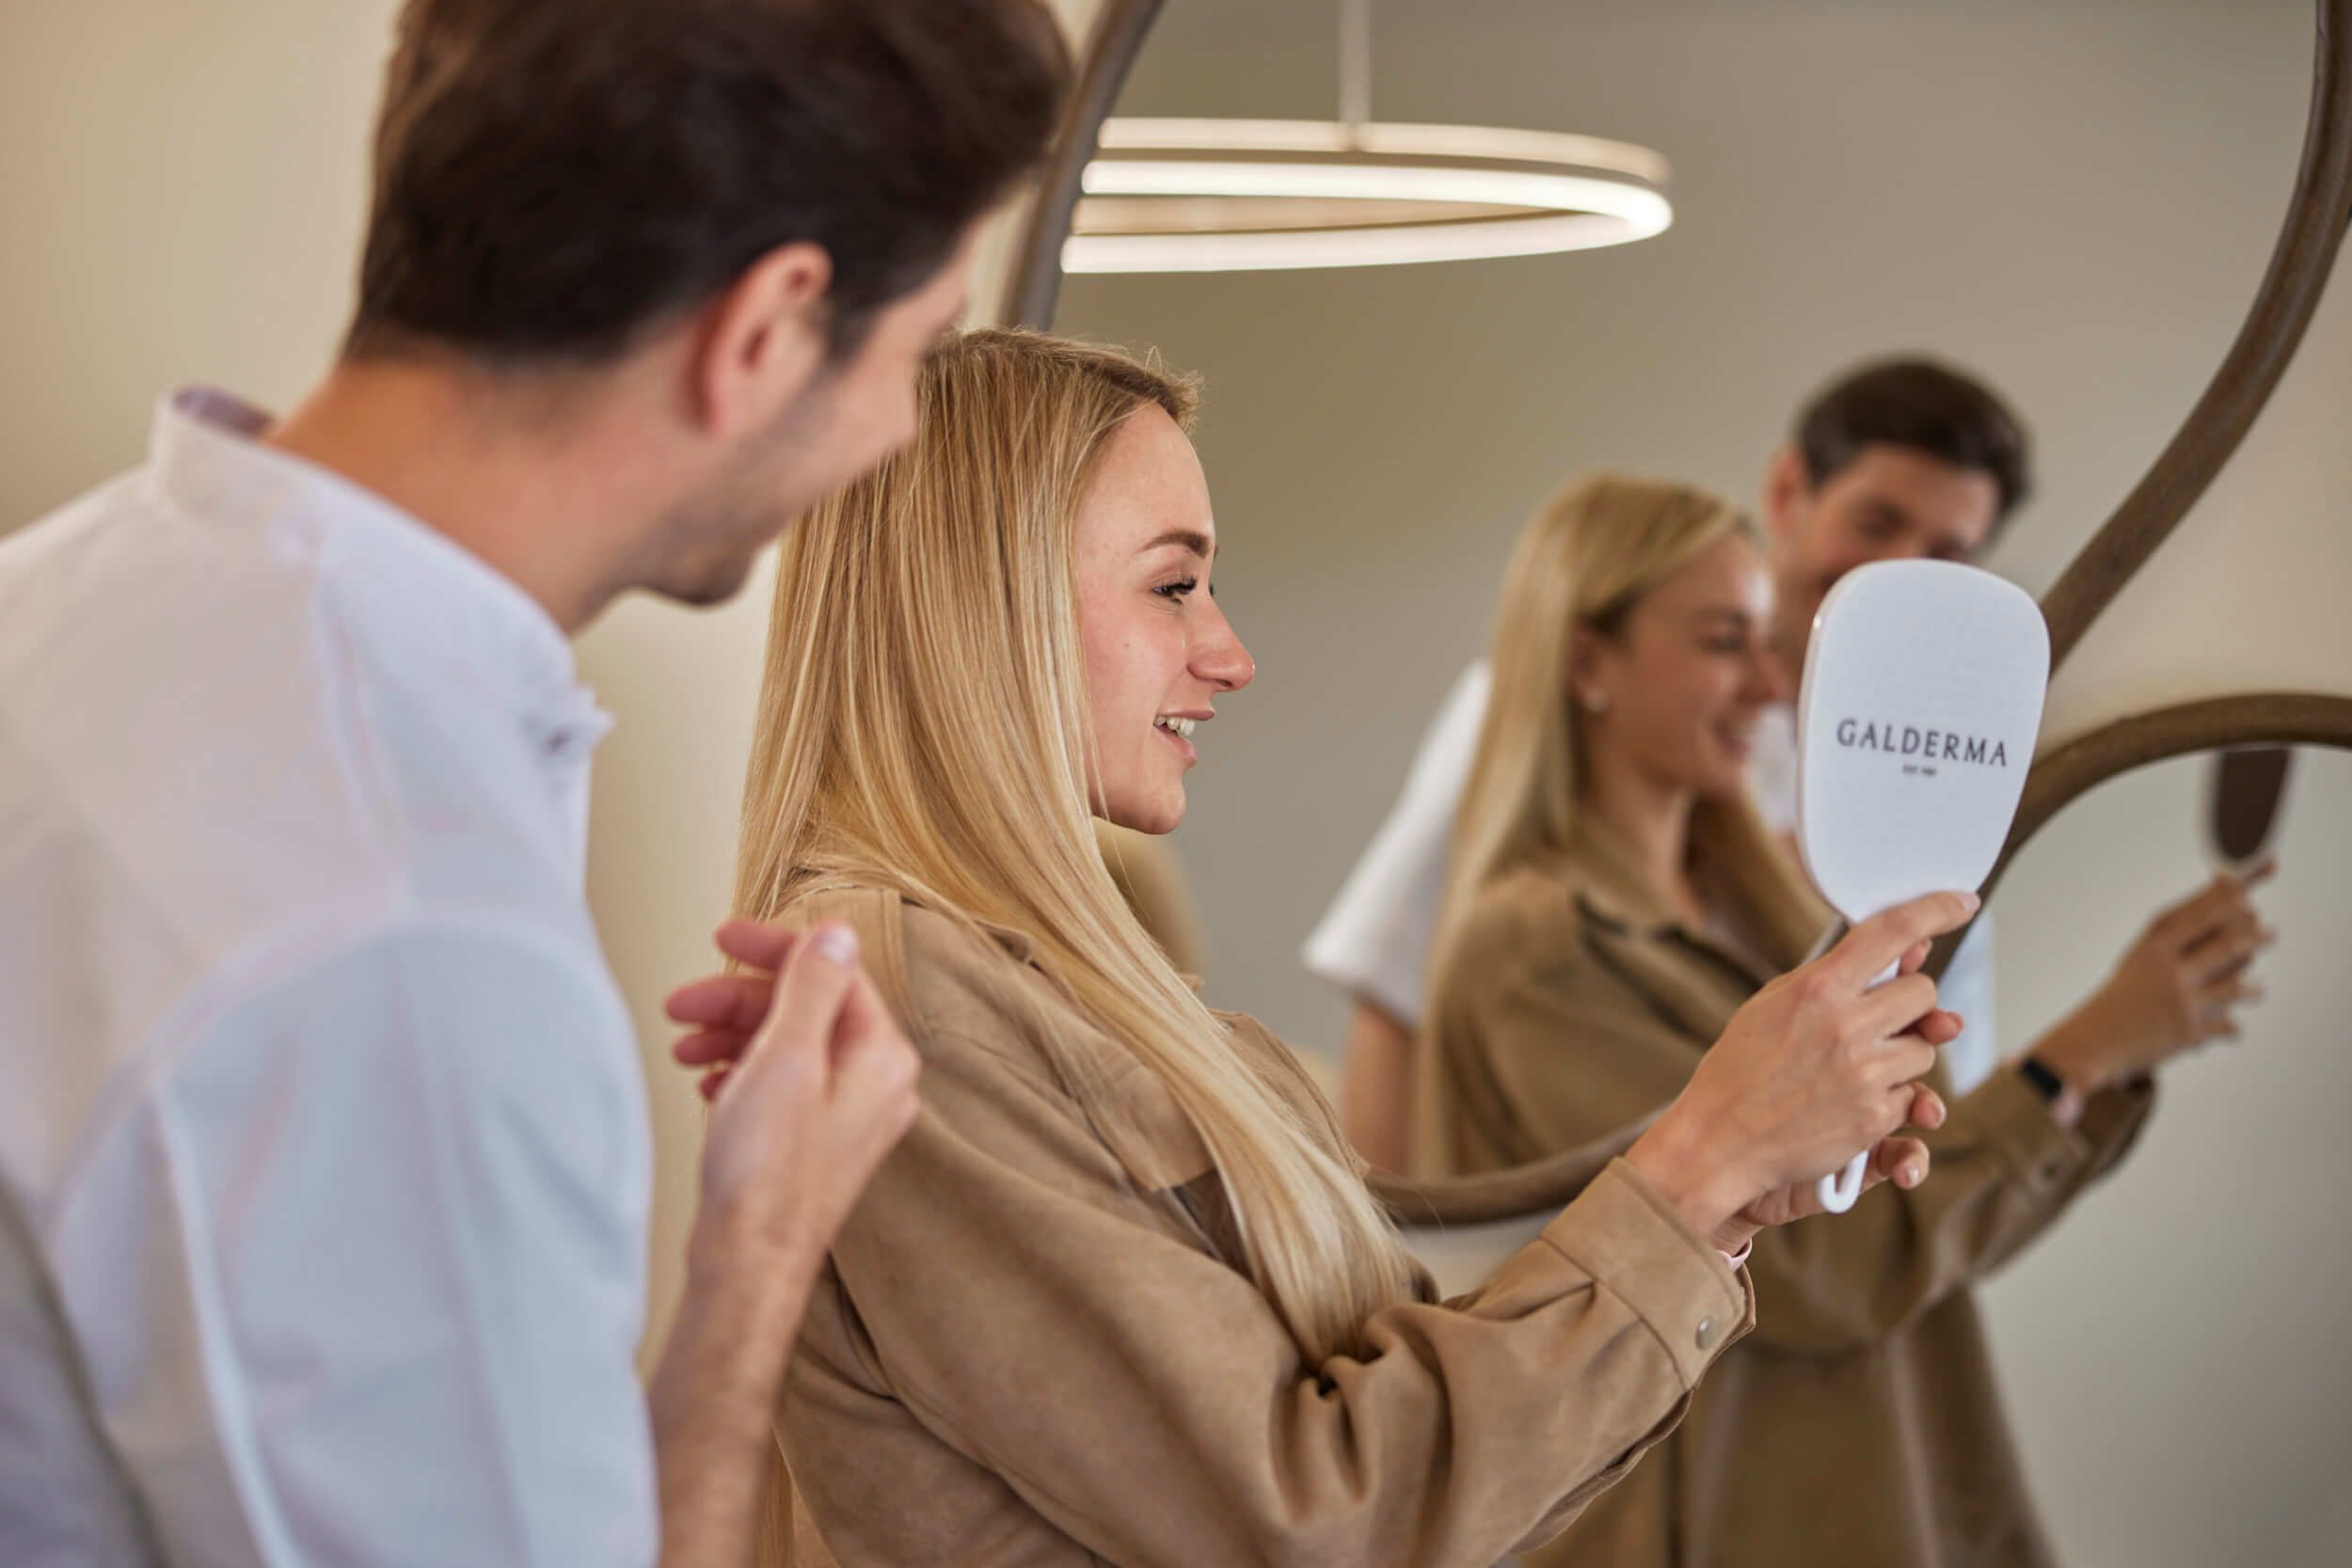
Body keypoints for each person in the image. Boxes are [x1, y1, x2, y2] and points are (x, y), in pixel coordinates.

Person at [0, 4, 1068, 1566]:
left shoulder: (52, 603)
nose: (905, 428)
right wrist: (758, 1259)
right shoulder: (401, 927)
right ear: (766, 328)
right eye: (919, 354)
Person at [667, 328, 1979, 1568]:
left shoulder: (1037, 992)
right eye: (1176, 584)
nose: (1230, 652)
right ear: (980, 599)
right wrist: (1702, 1161)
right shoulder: (911, 1003)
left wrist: (1724, 1206)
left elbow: (1385, 1447)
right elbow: (1317, 1514)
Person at [1410, 471, 2272, 1567]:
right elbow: (1826, 1275)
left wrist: (2088, 1068)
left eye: (1768, 641)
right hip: (1728, 1517)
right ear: (1587, 661)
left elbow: (1920, 1210)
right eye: (1727, 640)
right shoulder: (1537, 948)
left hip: (1891, 1465)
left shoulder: (1775, 914)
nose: (1770, 684)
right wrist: (2081, 1055)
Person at [1308, 357, 2265, 1175]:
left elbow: (1930, 1126)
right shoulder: (1540, 780)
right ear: (1786, 493)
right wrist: (1405, 1266)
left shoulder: (1937, 782)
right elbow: (1396, 998)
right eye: (1876, 521)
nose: (1897, 568)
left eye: (1945, 551)